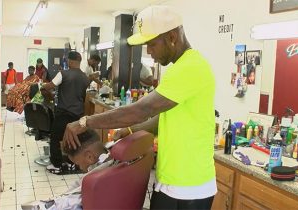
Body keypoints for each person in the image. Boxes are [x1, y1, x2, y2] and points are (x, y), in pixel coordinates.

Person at [63, 5, 216, 210]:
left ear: (172, 36)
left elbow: (140, 111)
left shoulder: (190, 67)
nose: (150, 52)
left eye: (152, 45)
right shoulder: (180, 68)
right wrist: (129, 130)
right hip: (175, 180)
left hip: (188, 186)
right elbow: (164, 119)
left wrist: (85, 121)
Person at [21, 129, 113, 210]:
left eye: (78, 164)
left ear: (89, 157)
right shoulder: (116, 162)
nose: (80, 168)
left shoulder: (94, 182)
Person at [41, 51, 93, 175]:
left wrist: (43, 85)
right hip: (78, 115)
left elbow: (49, 87)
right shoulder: (85, 77)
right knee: (73, 140)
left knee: (55, 138)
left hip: (64, 112)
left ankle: (57, 165)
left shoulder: (63, 74)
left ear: (69, 61)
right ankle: (71, 163)